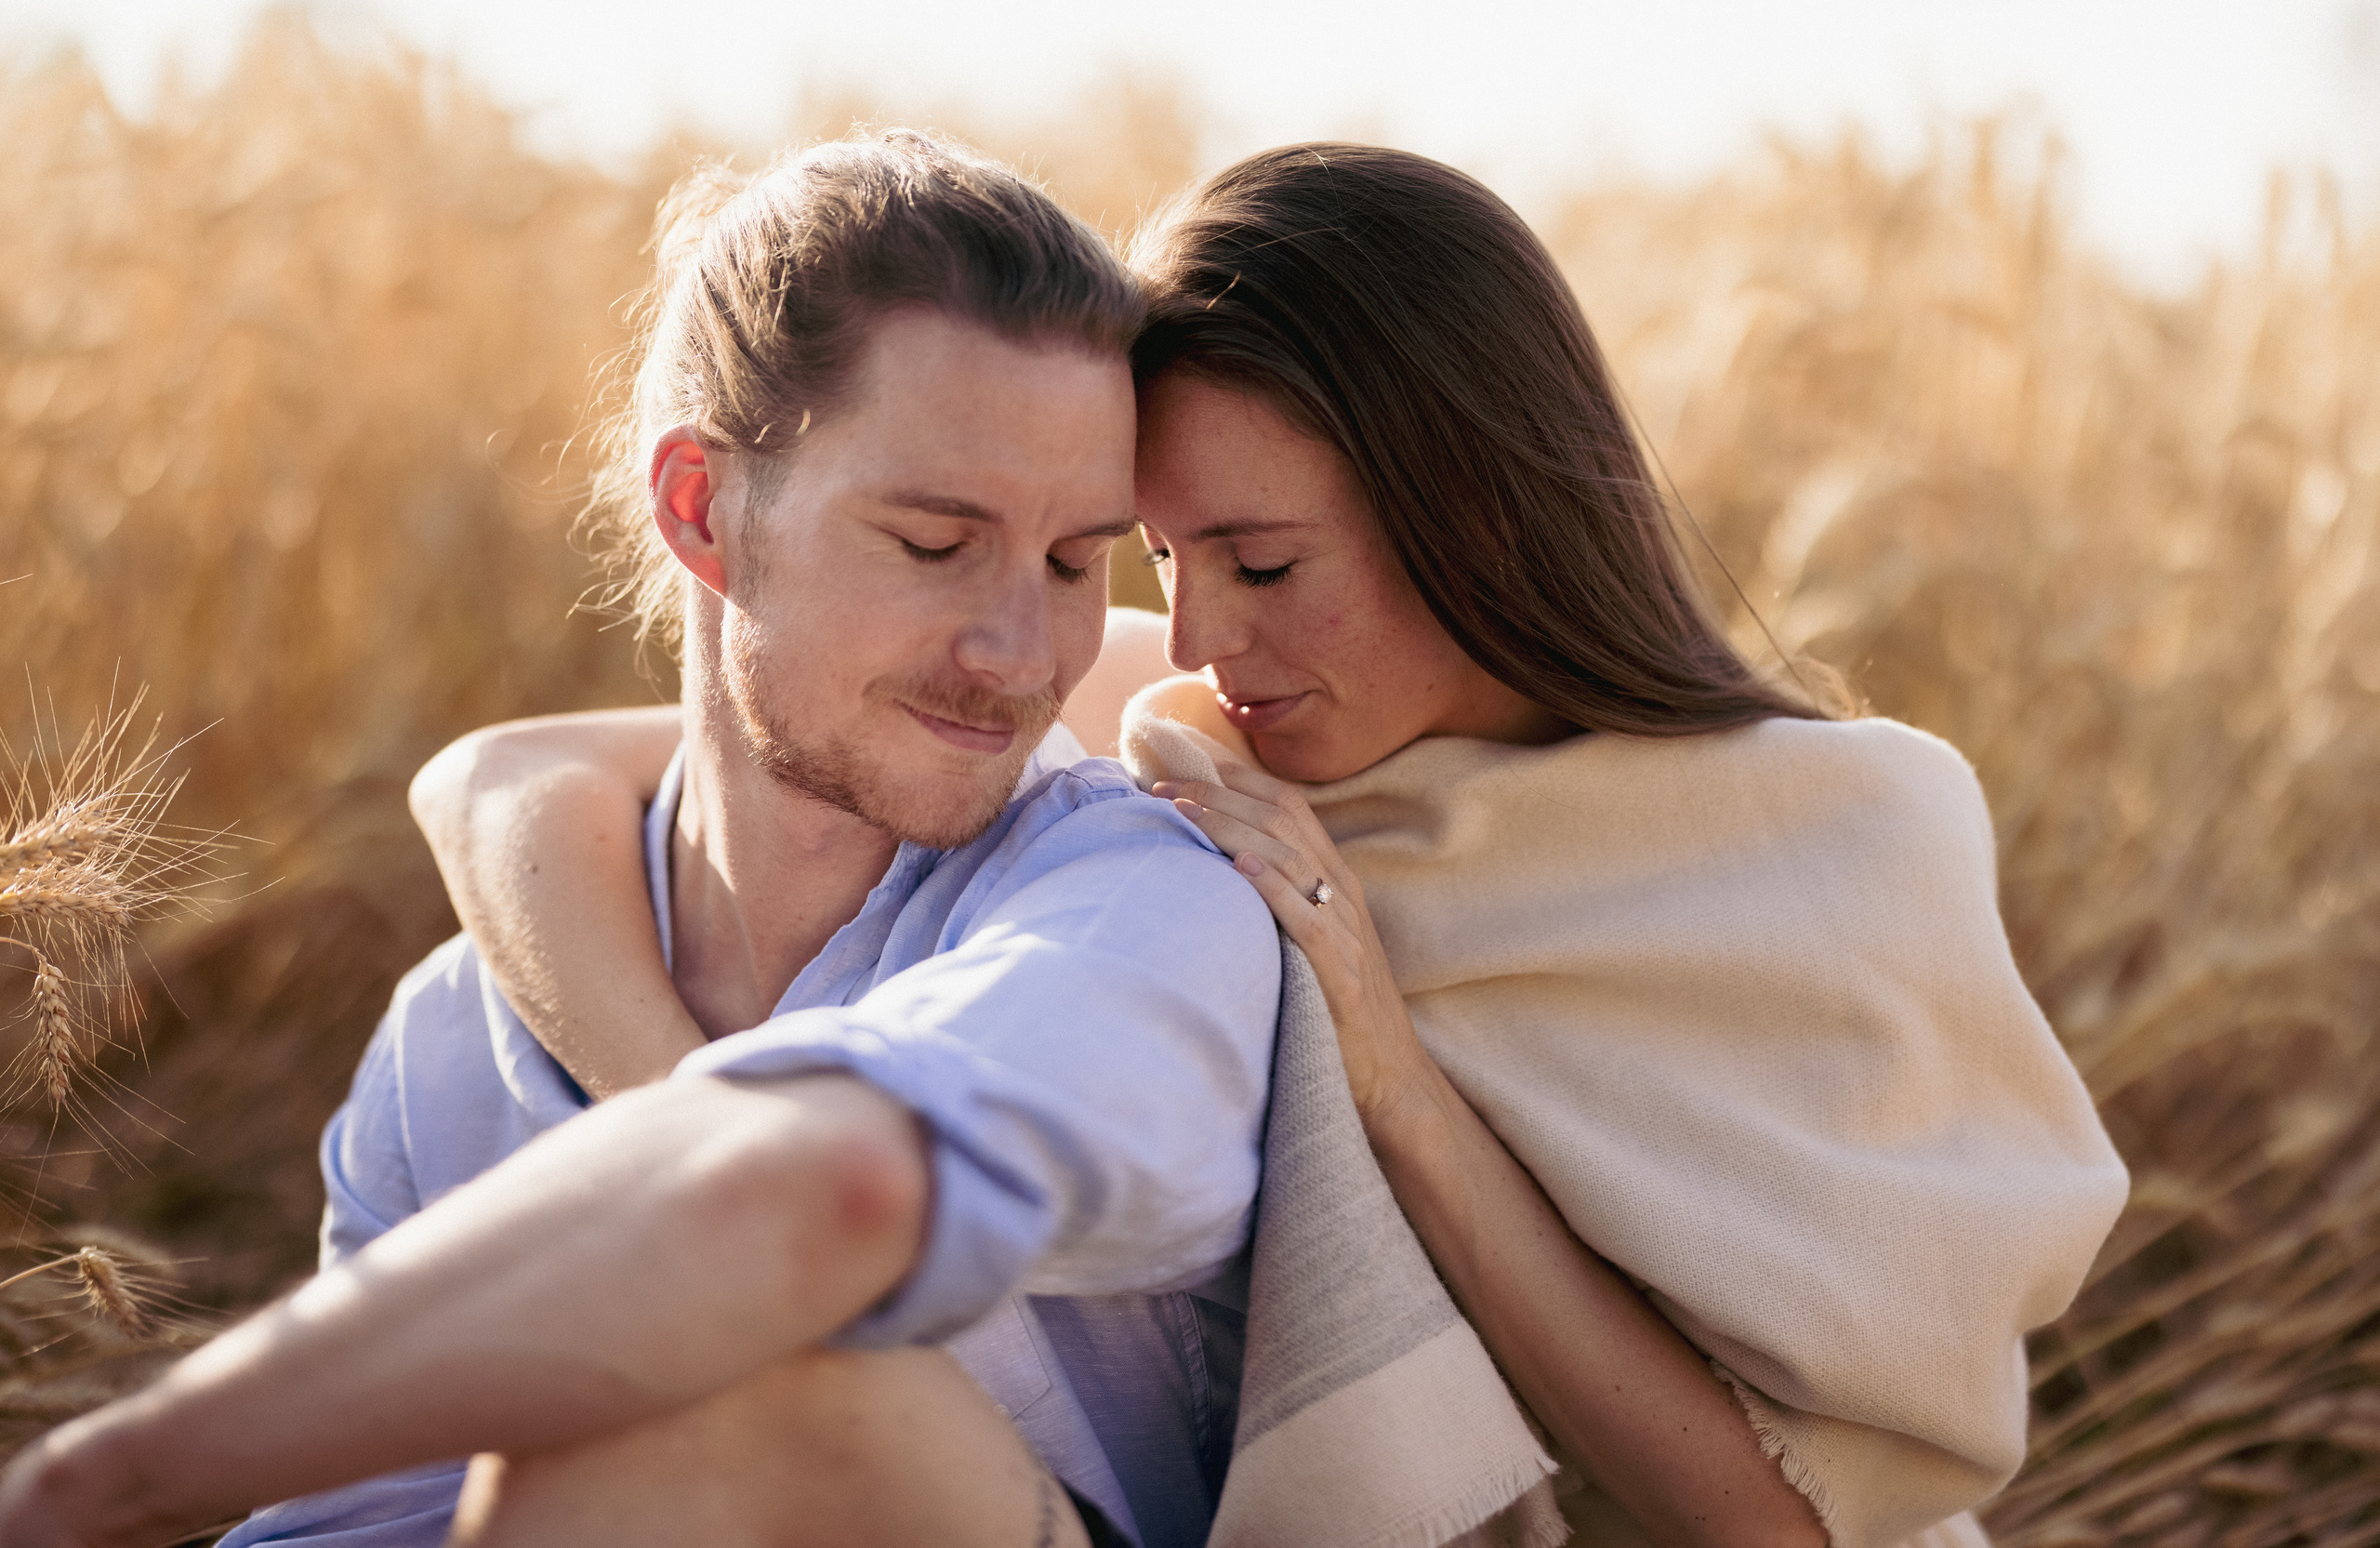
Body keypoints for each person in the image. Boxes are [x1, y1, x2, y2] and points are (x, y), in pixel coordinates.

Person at [407, 144, 2131, 1547]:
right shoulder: (1223, 721)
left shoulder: (1839, 832)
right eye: (1155, 562)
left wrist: (1396, 1080)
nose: (1207, 635)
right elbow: (503, 778)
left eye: (1263, 559)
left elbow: (1772, 1528)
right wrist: (681, 1155)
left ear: (1474, 513)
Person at [0, 132, 1285, 1548]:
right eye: (933, 543)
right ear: (702, 508)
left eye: (1070, 563)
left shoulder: (1136, 905)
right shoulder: (454, 1043)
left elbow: (823, 1193)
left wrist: (94, 1490)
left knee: (730, 1378)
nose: (1020, 651)